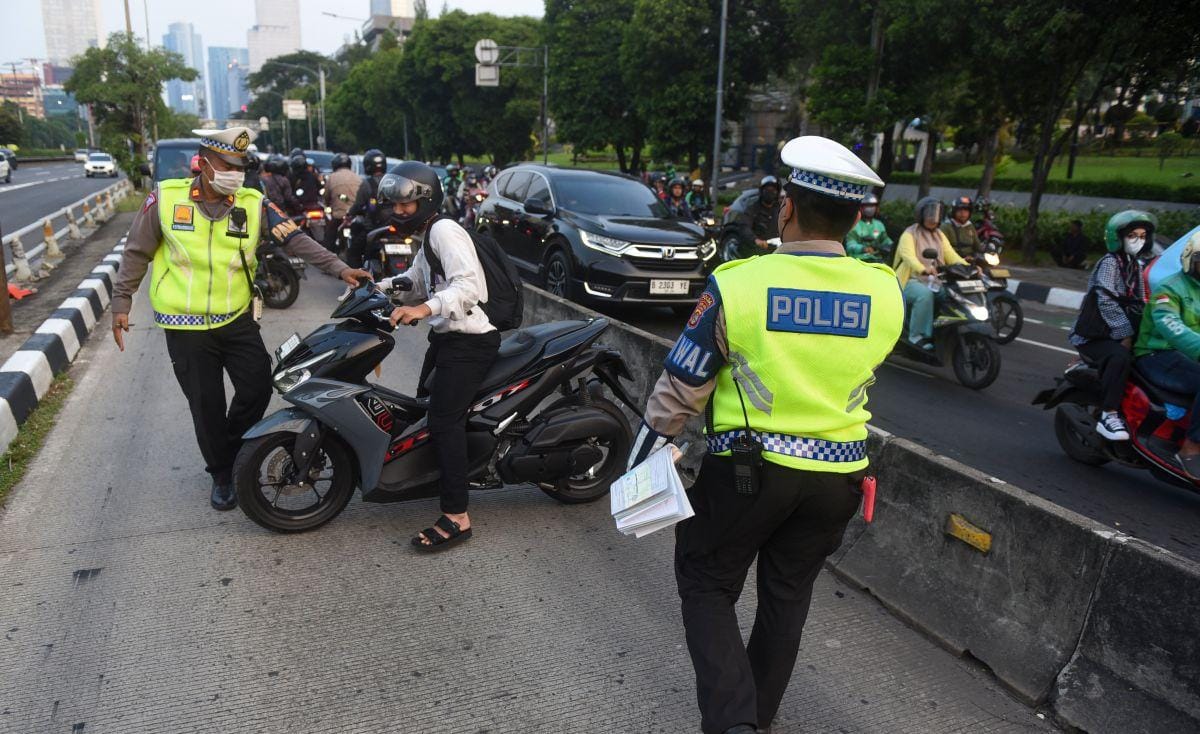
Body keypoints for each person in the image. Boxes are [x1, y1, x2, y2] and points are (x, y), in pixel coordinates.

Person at [626, 135, 902, 734]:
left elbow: (682, 388)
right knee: (787, 595)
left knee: (705, 579)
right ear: (858, 218)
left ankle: (734, 723)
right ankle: (760, 717)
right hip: (839, 478)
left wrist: (642, 465)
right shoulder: (885, 290)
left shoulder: (740, 283)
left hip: (749, 475)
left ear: (786, 208)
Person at [109, 127, 372, 510]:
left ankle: (232, 448)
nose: (236, 173)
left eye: (242, 166)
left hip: (236, 318)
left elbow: (295, 238)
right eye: (229, 165)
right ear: (206, 162)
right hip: (185, 326)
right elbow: (136, 253)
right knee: (206, 404)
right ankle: (221, 472)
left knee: (257, 388)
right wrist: (122, 302)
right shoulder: (165, 199)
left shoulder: (253, 203)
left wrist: (339, 268)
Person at [379, 162, 500, 551]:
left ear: (426, 200)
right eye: (394, 205)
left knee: (444, 421)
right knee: (425, 409)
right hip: (448, 340)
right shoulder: (427, 236)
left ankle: (457, 517)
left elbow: (469, 286)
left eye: (406, 205)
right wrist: (377, 288)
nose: (398, 212)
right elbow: (416, 282)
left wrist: (422, 311)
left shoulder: (446, 230)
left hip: (470, 341)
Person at [1070, 211, 1155, 441]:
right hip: (1097, 334)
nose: (1138, 239)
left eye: (1142, 235)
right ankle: (1109, 414)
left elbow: (1141, 299)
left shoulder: (1134, 265)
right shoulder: (1110, 263)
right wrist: (1126, 335)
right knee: (1120, 358)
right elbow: (1106, 301)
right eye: (1132, 235)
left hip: (1117, 330)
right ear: (1118, 237)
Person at [1135, 232, 1200, 475]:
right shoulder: (1170, 288)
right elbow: (1170, 325)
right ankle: (1190, 449)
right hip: (1158, 354)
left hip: (1187, 356)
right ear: (1189, 259)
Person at [893, 196, 970, 351]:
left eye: (936, 214)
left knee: (949, 294)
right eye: (929, 214)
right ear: (920, 215)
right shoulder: (910, 234)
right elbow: (908, 256)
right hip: (909, 280)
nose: (933, 218)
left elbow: (951, 255)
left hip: (933, 280)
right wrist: (923, 268)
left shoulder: (939, 235)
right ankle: (917, 336)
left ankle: (940, 331)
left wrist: (970, 268)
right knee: (924, 295)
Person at [346, 148, 390, 269]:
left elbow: (358, 205)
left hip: (374, 228)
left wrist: (350, 214)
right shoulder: (392, 180)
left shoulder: (367, 184)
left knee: (353, 252)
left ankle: (359, 281)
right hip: (395, 227)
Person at [733, 175, 782, 258]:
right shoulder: (752, 209)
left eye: (773, 190)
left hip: (777, 250)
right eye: (767, 190)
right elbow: (744, 226)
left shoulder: (781, 209)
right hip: (756, 251)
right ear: (761, 191)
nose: (770, 192)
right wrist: (756, 240)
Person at [325, 152, 362, 249]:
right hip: (355, 216)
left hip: (339, 215)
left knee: (329, 237)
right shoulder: (358, 177)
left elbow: (326, 197)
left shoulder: (331, 178)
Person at [844, 193, 893, 262]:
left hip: (877, 260)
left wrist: (892, 246)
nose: (870, 208)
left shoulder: (879, 225)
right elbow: (850, 245)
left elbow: (886, 240)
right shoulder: (855, 224)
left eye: (873, 206)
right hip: (858, 260)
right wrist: (863, 248)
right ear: (860, 207)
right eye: (867, 206)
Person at [940, 195, 981, 259]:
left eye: (966, 210)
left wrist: (986, 251)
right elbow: (943, 248)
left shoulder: (970, 226)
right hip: (952, 260)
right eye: (960, 210)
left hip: (970, 259)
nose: (963, 213)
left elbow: (977, 246)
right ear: (954, 212)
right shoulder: (946, 227)